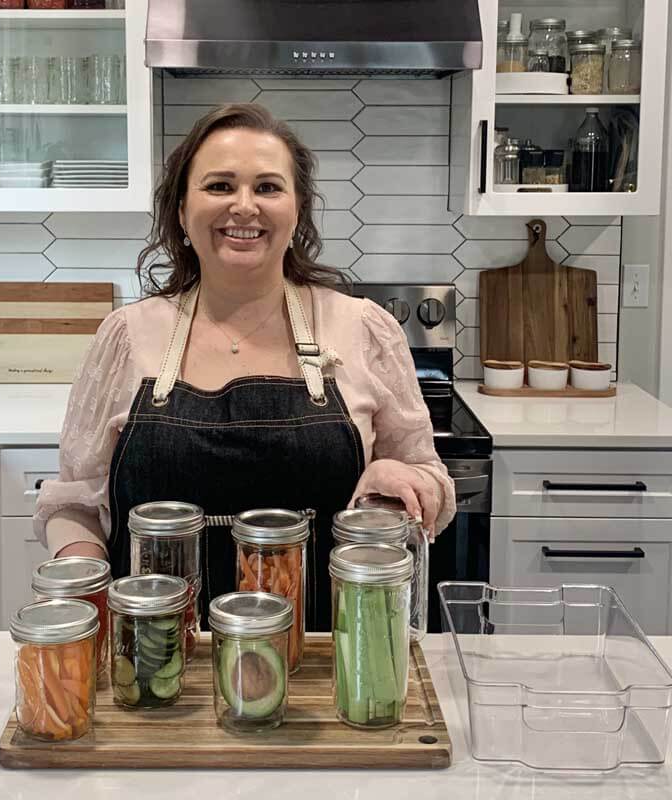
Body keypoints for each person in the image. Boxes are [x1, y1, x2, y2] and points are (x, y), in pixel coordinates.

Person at [34, 103, 456, 630]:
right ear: (182, 212)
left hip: (330, 659)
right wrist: (82, 586)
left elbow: (432, 486)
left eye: (268, 188)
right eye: (219, 186)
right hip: (155, 662)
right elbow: (75, 502)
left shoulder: (364, 328)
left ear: (297, 211)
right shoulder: (126, 337)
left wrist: (404, 480)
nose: (244, 206)